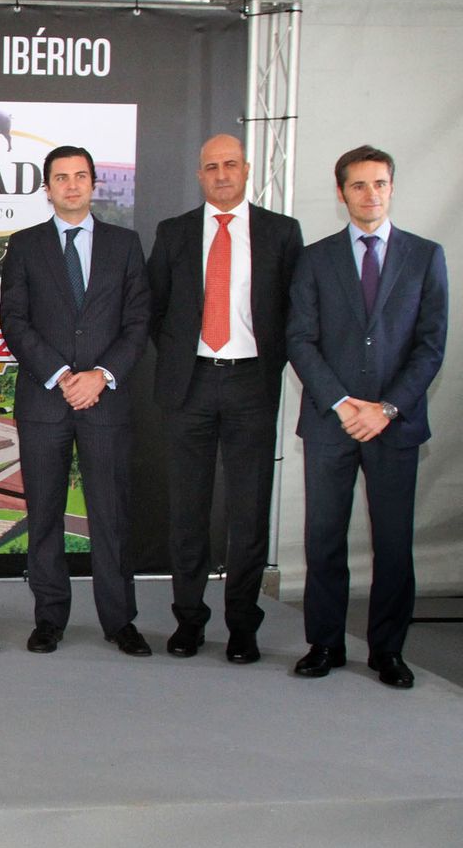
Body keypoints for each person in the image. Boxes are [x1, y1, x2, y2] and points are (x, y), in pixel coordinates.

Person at [286, 145, 447, 689]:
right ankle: (325, 643)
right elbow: (300, 341)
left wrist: (386, 408)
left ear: (392, 187)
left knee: (394, 543)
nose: (370, 194)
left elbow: (430, 346)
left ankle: (388, 652)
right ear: (341, 193)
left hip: (394, 425)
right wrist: (342, 403)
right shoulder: (315, 258)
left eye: (379, 183)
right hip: (332, 422)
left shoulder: (426, 257)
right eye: (358, 185)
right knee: (324, 538)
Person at [147, 134, 303, 664]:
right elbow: (157, 311)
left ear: (247, 169)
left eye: (230, 164)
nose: (221, 174)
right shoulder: (173, 234)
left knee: (248, 512)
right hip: (189, 384)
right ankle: (189, 621)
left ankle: (242, 625)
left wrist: (265, 367)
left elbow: (293, 314)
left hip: (251, 385)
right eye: (211, 166)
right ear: (199, 174)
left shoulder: (282, 233)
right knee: (187, 512)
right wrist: (179, 362)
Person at [0, 145, 151, 656]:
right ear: (47, 188)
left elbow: (137, 322)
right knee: (44, 513)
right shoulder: (24, 245)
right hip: (46, 401)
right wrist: (63, 374)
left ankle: (119, 620)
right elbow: (15, 320)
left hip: (105, 401)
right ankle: (49, 619)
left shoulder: (125, 244)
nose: (71, 185)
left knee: (111, 514)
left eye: (80, 176)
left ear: (92, 184)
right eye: (60, 178)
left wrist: (100, 375)